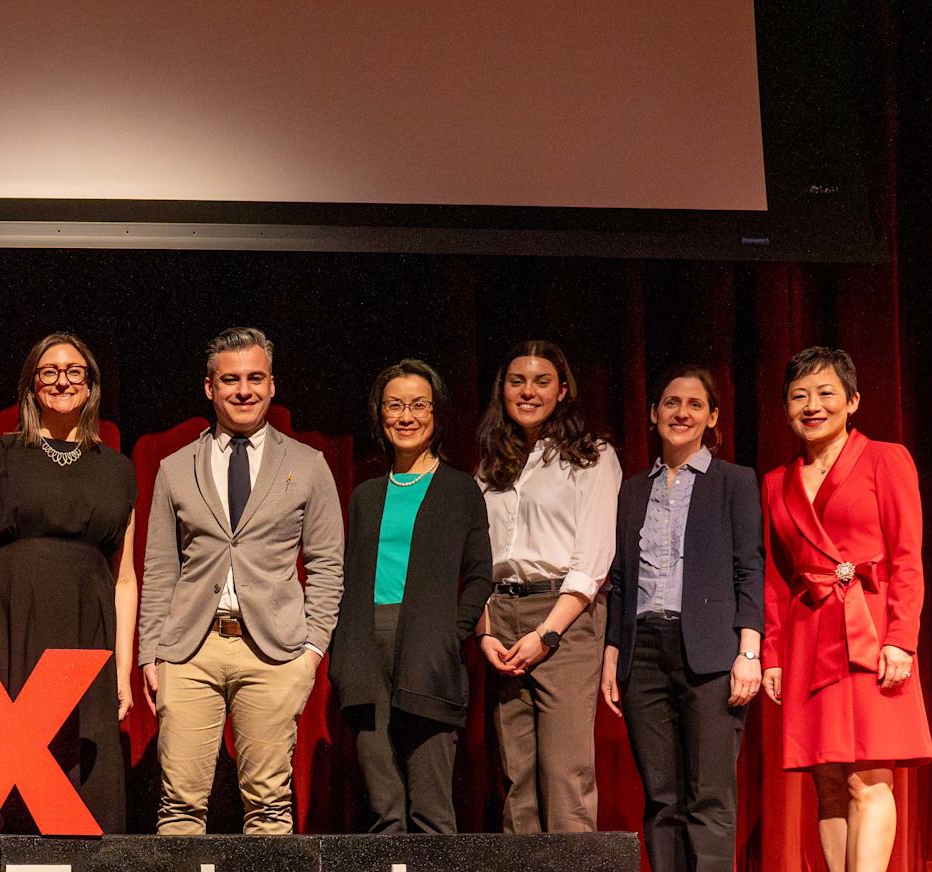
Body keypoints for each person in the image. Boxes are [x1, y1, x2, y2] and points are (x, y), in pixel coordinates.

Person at [761, 346, 932, 872]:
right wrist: (774, 653)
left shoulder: (886, 459)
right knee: (828, 783)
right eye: (801, 396)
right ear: (786, 408)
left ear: (852, 401)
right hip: (809, 636)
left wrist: (900, 639)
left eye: (827, 393)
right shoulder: (775, 482)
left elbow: (908, 556)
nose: (813, 406)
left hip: (868, 628)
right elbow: (777, 579)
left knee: (871, 779)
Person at [137, 327, 343, 835]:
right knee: (179, 806)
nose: (243, 390)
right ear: (210, 388)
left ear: (272, 385)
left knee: (269, 807)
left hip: (274, 652)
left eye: (255, 378)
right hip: (190, 651)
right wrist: (150, 653)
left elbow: (327, 564)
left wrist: (311, 652)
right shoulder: (175, 467)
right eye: (231, 380)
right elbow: (160, 568)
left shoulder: (308, 464)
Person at [601, 366, 763, 872]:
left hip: (711, 653)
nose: (682, 412)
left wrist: (749, 651)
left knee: (709, 796)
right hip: (645, 648)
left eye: (696, 404)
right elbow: (621, 582)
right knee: (662, 797)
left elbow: (751, 568)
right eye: (671, 402)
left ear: (712, 417)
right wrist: (614, 654)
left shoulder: (732, 482)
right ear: (653, 413)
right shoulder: (633, 490)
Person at [0, 332, 137, 831]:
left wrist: (122, 671)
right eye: (49, 372)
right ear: (31, 387)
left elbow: (125, 581)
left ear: (91, 386)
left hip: (85, 638)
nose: (62, 381)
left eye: (74, 371)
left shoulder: (118, 471)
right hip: (6, 631)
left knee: (79, 788)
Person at [329, 360, 493, 833]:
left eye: (418, 405)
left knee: (431, 808)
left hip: (428, 650)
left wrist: (450, 633)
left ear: (436, 414)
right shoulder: (365, 495)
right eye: (394, 405)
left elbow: (480, 576)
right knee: (385, 809)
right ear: (380, 415)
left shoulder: (460, 490)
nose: (406, 416)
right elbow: (346, 577)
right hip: (364, 651)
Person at [473, 340, 622, 833]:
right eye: (517, 381)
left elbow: (593, 559)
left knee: (563, 771)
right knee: (517, 773)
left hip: (565, 618)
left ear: (562, 390)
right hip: (502, 615)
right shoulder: (491, 463)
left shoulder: (592, 456)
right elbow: (479, 559)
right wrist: (485, 632)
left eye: (541, 382)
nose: (528, 392)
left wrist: (548, 634)